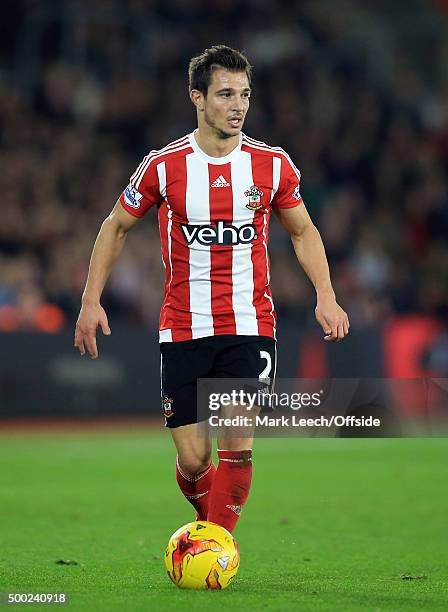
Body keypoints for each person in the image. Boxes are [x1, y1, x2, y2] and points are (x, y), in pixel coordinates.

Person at [74, 45, 349, 533]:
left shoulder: (272, 165)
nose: (239, 105)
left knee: (237, 439)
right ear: (197, 98)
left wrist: (325, 294)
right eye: (226, 94)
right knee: (196, 459)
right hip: (184, 326)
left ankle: (218, 547)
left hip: (250, 324)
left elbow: (303, 232)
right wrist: (90, 300)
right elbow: (115, 226)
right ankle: (210, 526)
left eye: (245, 94)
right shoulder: (164, 166)